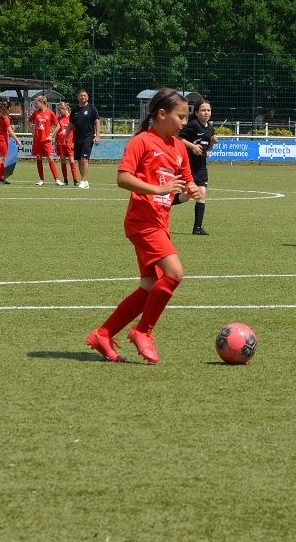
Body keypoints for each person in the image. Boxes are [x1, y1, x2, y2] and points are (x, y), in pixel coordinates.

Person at [86, 88, 201, 364]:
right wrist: (158, 188)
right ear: (161, 114)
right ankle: (142, 330)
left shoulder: (179, 148)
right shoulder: (142, 142)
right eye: (180, 116)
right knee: (174, 273)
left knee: (149, 287)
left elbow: (186, 182)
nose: (184, 122)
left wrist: (192, 191)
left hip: (160, 224)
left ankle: (103, 334)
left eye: (186, 117)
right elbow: (123, 178)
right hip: (142, 222)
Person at [174, 98, 218, 234]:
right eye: (203, 110)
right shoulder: (192, 125)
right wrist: (192, 146)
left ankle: (197, 228)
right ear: (196, 112)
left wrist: (211, 144)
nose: (206, 113)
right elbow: (177, 137)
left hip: (201, 166)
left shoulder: (210, 127)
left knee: (201, 195)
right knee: (185, 197)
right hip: (188, 166)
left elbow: (207, 149)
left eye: (208, 110)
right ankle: (162, 203)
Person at [26, 95, 62, 185]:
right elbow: (28, 120)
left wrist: (51, 136)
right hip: (37, 139)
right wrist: (31, 130)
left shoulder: (50, 113)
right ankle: (41, 180)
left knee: (50, 158)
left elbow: (58, 126)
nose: (35, 105)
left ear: (42, 102)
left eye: (37, 103)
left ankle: (57, 180)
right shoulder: (36, 113)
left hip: (46, 140)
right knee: (39, 158)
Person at [69, 89, 101, 189]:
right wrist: (66, 136)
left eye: (84, 95)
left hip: (88, 137)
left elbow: (97, 122)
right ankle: (85, 181)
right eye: (81, 95)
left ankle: (83, 180)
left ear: (87, 97)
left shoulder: (91, 108)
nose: (83, 97)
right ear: (78, 97)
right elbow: (71, 124)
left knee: (84, 159)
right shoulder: (75, 110)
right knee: (79, 160)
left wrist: (97, 136)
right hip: (77, 138)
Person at [0, 99, 21, 184]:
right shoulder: (5, 117)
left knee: (3, 159)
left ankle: (2, 178)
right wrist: (17, 140)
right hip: (2, 139)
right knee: (0, 159)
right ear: (9, 108)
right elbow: (10, 131)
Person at [54, 101, 79, 186]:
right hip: (60, 142)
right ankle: (65, 180)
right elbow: (58, 131)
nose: (59, 112)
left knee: (72, 160)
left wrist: (74, 142)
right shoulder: (59, 119)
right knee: (63, 160)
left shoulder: (71, 117)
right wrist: (55, 141)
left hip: (69, 142)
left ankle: (75, 180)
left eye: (60, 110)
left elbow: (75, 131)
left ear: (65, 109)